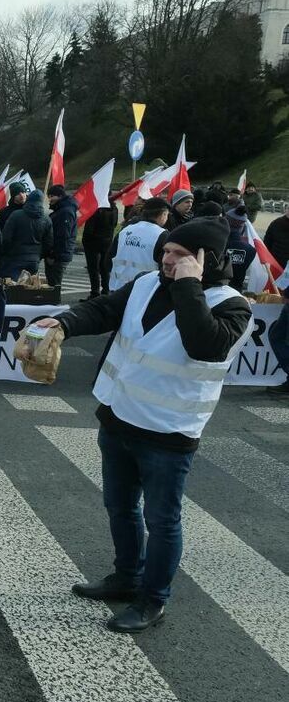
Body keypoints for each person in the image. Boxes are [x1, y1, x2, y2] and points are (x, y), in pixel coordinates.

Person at [31, 217, 252, 633]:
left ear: (207, 260)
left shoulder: (232, 305)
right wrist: (64, 322)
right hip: (118, 417)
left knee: (163, 520)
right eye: (166, 251)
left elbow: (203, 344)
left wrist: (188, 285)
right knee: (120, 506)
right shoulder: (148, 283)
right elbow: (104, 309)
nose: (167, 259)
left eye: (179, 255)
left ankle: (153, 600)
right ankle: (126, 577)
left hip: (169, 433)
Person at [109, 198, 169, 292]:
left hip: (116, 289)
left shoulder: (125, 230)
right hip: (143, 292)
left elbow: (108, 260)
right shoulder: (162, 235)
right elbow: (165, 269)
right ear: (163, 215)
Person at [0, 189, 53, 281]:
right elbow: (48, 242)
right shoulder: (46, 219)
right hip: (34, 259)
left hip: (14, 257)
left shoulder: (16, 215)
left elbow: (6, 237)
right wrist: (40, 255)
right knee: (28, 288)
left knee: (12, 287)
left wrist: (5, 252)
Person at [45, 184, 78, 288]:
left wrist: (53, 255)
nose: (49, 199)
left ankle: (55, 303)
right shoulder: (61, 210)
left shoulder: (65, 212)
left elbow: (63, 236)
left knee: (54, 284)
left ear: (59, 196)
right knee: (52, 282)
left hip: (59, 256)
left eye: (51, 196)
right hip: (58, 254)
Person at [223, 206, 257, 292]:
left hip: (215, 288)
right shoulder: (250, 250)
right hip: (236, 290)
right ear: (242, 228)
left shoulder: (215, 243)